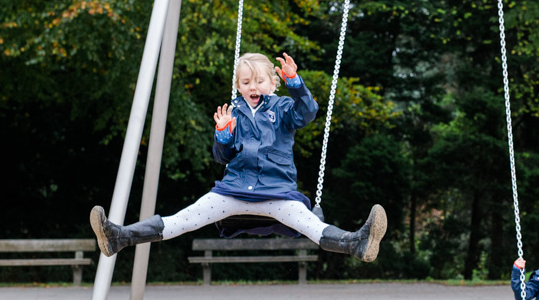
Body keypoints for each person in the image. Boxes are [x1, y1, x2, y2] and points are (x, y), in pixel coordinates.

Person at [90, 52, 386, 262]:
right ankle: (119, 237)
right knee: (184, 218)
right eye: (245, 83)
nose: (252, 87)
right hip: (233, 190)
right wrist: (222, 135)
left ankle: (357, 243)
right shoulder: (233, 112)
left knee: (312, 226)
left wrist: (296, 82)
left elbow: (308, 112)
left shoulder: (283, 108)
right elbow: (223, 157)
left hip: (275, 193)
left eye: (258, 81)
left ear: (273, 82)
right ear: (238, 86)